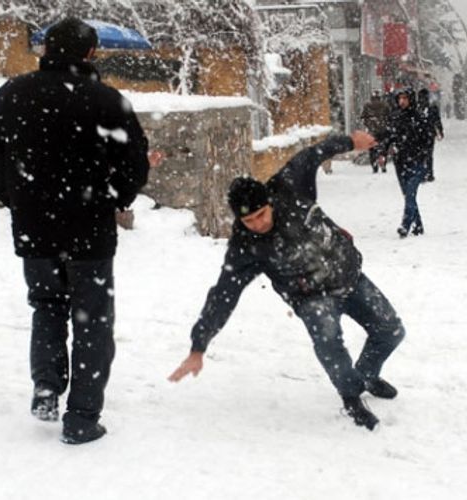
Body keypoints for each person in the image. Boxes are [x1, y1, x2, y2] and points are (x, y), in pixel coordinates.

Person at [0, 17, 151, 444]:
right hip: (89, 228)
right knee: (92, 319)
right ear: (90, 53)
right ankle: (82, 417)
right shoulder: (108, 101)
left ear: (46, 49)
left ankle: (47, 386)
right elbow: (135, 165)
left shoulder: (11, 96)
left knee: (47, 305)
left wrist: (14, 197)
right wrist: (114, 198)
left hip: (35, 227)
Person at [168, 131, 406, 431]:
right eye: (248, 221)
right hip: (310, 297)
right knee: (329, 342)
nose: (258, 224)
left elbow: (315, 152)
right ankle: (351, 396)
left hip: (349, 276)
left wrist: (351, 142)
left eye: (260, 215)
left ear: (269, 202)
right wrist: (198, 345)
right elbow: (223, 295)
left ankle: (367, 374)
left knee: (391, 331)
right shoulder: (246, 247)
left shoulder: (290, 184)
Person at [375, 88, 433, 238]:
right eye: (400, 98)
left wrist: (424, 157)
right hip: (400, 161)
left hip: (417, 162)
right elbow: (388, 137)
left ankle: (405, 225)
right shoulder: (395, 117)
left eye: (405, 98)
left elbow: (427, 140)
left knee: (410, 193)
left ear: (410, 100)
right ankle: (418, 226)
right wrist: (382, 153)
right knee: (408, 195)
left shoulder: (419, 117)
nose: (402, 101)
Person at [359, 90, 391, 173]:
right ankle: (383, 161)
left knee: (372, 149)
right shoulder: (385, 105)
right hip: (383, 130)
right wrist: (385, 124)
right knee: (384, 147)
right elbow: (389, 117)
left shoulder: (367, 105)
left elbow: (363, 117)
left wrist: (368, 124)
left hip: (372, 131)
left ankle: (374, 165)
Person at [417, 88, 444, 182]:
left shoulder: (416, 109)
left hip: (419, 135)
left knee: (420, 155)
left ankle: (422, 174)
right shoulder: (432, 108)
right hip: (429, 134)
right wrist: (440, 131)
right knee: (428, 154)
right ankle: (429, 173)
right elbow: (437, 121)